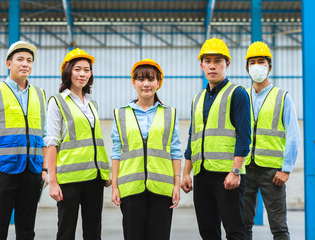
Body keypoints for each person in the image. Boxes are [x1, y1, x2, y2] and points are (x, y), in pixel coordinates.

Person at [181, 38, 251, 240]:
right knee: (208, 231)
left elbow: (244, 137)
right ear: (201, 65)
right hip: (202, 175)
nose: (212, 65)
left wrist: (235, 172)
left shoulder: (237, 94)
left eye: (218, 61)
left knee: (235, 231)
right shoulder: (197, 98)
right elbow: (192, 139)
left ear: (227, 64)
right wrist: (187, 173)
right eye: (208, 60)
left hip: (227, 176)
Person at [0, 41, 47, 239]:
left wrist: (44, 169)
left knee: (27, 232)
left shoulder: (39, 94)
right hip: (3, 172)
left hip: (32, 172)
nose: (25, 64)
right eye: (20, 60)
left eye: (29, 60)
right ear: (9, 63)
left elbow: (43, 136)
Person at [111, 59, 182, 240]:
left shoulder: (169, 113)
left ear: (158, 82)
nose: (146, 84)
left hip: (161, 189)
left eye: (151, 79)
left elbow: (175, 151)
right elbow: (116, 152)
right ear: (134, 82)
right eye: (141, 79)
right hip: (131, 188)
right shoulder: (121, 113)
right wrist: (115, 187)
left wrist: (176, 185)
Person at [45, 48, 110, 240]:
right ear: (68, 72)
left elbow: (96, 142)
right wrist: (53, 181)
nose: (82, 74)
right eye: (77, 69)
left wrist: (104, 172)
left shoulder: (92, 104)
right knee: (66, 233)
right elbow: (51, 143)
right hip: (69, 180)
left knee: (93, 232)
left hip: (94, 178)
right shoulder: (57, 102)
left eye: (87, 70)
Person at [243, 41, 301, 240]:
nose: (257, 66)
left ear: (270, 66)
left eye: (261, 62)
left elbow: (294, 135)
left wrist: (286, 169)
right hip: (244, 170)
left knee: (279, 228)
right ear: (247, 68)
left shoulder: (283, 97)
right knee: (242, 226)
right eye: (252, 62)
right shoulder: (241, 96)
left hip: (272, 172)